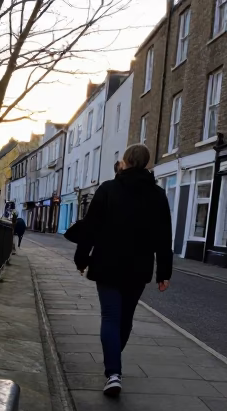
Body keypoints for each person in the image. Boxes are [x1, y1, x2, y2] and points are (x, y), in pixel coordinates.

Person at [73, 143, 172, 397]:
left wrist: (81, 259)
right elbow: (163, 237)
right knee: (125, 319)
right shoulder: (158, 195)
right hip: (138, 268)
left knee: (110, 316)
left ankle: (113, 372)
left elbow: (91, 228)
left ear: (125, 161)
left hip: (107, 264)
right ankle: (113, 366)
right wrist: (164, 272)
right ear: (147, 163)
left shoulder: (108, 189)